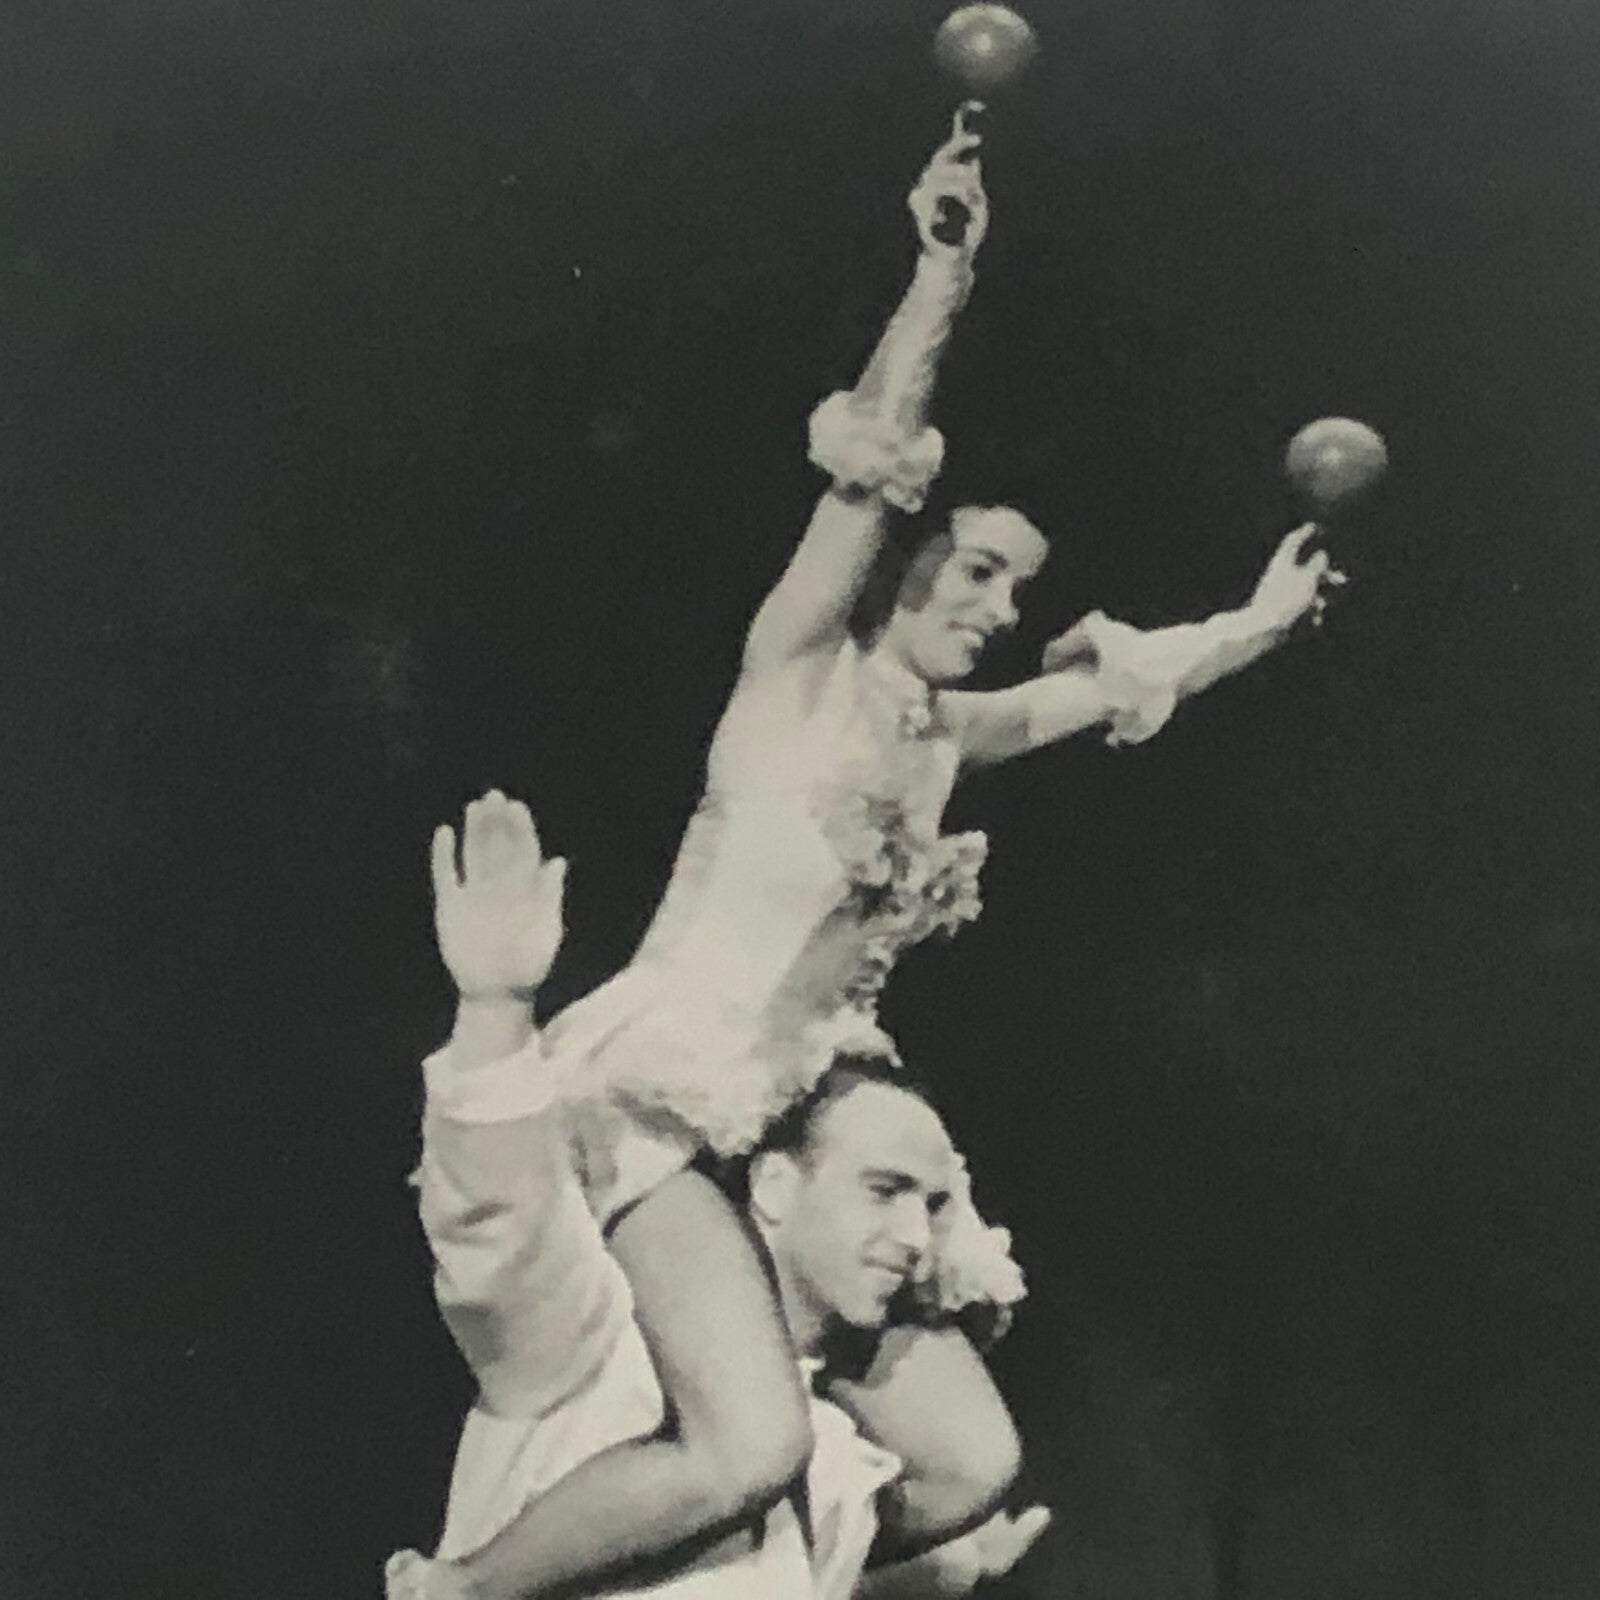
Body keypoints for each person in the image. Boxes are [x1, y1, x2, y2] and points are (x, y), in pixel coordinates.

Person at [391, 98, 1344, 1596]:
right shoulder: (795, 668)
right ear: (902, 566)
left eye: (1013, 588)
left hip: (796, 1125)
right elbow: (869, 463)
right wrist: (940, 281)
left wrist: (1258, 622)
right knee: (748, 1444)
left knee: (968, 1465)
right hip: (657, 1106)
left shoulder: (944, 739)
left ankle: (778, 1571)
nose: (996, 606)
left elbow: (1102, 695)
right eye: (973, 570)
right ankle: (464, 1592)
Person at [386, 794, 1044, 1600]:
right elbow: (499, 1225)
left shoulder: (835, 1461)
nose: (915, 1233)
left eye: (935, 1204)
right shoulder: (595, 1347)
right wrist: (494, 1017)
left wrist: (949, 1570)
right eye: (884, 1189)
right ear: (772, 1183)